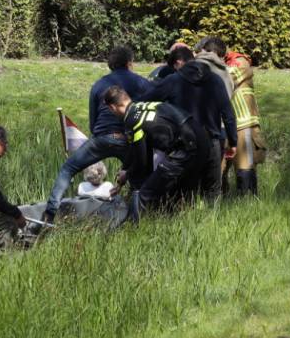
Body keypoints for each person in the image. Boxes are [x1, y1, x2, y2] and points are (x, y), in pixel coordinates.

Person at [42, 45, 150, 223]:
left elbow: (93, 123)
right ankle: (137, 221)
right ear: (130, 63)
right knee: (138, 180)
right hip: (129, 140)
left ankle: (50, 213)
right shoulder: (142, 83)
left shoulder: (99, 85)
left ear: (111, 65)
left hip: (101, 138)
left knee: (68, 169)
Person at [139, 45, 237, 199]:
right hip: (212, 142)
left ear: (178, 63)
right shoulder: (215, 79)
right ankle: (213, 222)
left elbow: (145, 100)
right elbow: (228, 113)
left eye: (174, 67)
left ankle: (185, 219)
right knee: (213, 191)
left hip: (187, 144)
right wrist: (233, 141)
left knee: (183, 191)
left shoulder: (173, 80)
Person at [103, 87, 203, 220]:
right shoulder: (142, 105)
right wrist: (125, 170)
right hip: (201, 137)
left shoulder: (131, 120)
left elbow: (141, 161)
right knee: (175, 191)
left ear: (113, 107)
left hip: (186, 147)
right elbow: (135, 149)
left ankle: (134, 229)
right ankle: (173, 222)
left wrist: (127, 174)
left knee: (145, 193)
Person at [196, 36, 265, 196]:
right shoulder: (216, 66)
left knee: (244, 168)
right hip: (222, 125)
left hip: (243, 125)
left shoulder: (239, 62)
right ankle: (219, 207)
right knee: (216, 172)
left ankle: (248, 206)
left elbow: (222, 78)